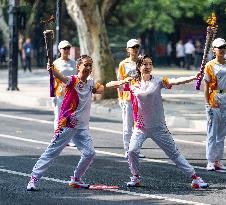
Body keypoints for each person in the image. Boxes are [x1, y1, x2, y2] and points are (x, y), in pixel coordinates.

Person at [106, 54, 208, 189]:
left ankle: (195, 178)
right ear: (139, 67)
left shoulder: (158, 81)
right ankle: (135, 177)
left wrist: (194, 77)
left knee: (174, 154)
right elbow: (108, 85)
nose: (148, 67)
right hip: (140, 127)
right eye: (145, 64)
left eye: (150, 64)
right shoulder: (133, 84)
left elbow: (175, 81)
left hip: (158, 127)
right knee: (132, 151)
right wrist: (125, 80)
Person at [26, 55, 104, 191]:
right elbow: (61, 77)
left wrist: (100, 87)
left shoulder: (91, 83)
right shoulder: (72, 80)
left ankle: (76, 179)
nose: (88, 67)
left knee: (90, 153)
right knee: (52, 152)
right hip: (67, 124)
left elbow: (101, 89)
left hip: (82, 127)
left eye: (90, 65)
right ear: (78, 66)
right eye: (85, 65)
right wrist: (52, 69)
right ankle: (33, 178)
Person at [203, 38, 226, 171]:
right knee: (212, 132)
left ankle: (218, 160)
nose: (222, 49)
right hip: (214, 97)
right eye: (219, 47)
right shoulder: (209, 65)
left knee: (222, 133)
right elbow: (206, 86)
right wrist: (207, 104)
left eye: (224, 47)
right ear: (213, 49)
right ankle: (210, 160)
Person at [117, 39, 145, 159]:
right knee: (128, 126)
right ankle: (127, 150)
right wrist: (120, 98)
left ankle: (136, 150)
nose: (135, 49)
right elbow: (120, 82)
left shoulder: (142, 62)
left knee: (139, 126)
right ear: (128, 49)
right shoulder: (123, 64)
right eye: (133, 47)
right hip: (128, 98)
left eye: (137, 47)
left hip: (140, 97)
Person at [52, 40, 77, 147]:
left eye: (68, 48)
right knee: (59, 115)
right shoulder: (55, 63)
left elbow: (77, 78)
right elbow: (51, 80)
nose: (67, 50)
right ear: (60, 50)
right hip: (59, 92)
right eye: (64, 48)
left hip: (71, 93)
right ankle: (58, 136)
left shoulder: (74, 63)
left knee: (70, 116)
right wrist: (52, 95)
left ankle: (68, 139)